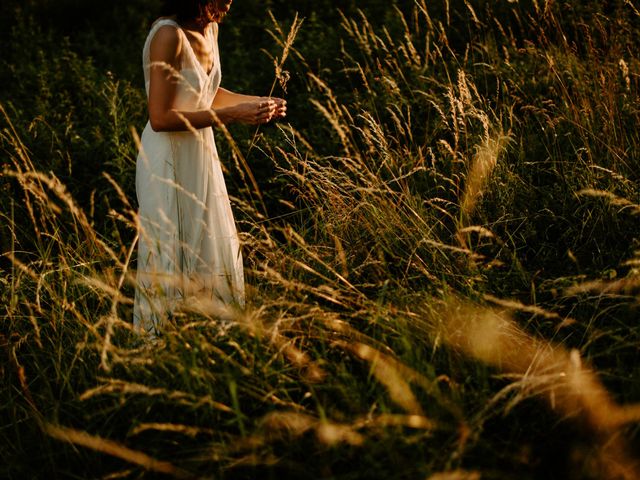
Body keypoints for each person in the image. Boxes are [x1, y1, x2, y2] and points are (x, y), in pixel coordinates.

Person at [133, 0, 286, 334]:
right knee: (170, 251)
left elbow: (206, 92)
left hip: (201, 153)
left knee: (208, 245)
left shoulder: (211, 28)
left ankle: (208, 338)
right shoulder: (167, 36)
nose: (231, 0)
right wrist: (232, 116)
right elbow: (159, 118)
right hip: (167, 158)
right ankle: (159, 346)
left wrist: (254, 104)